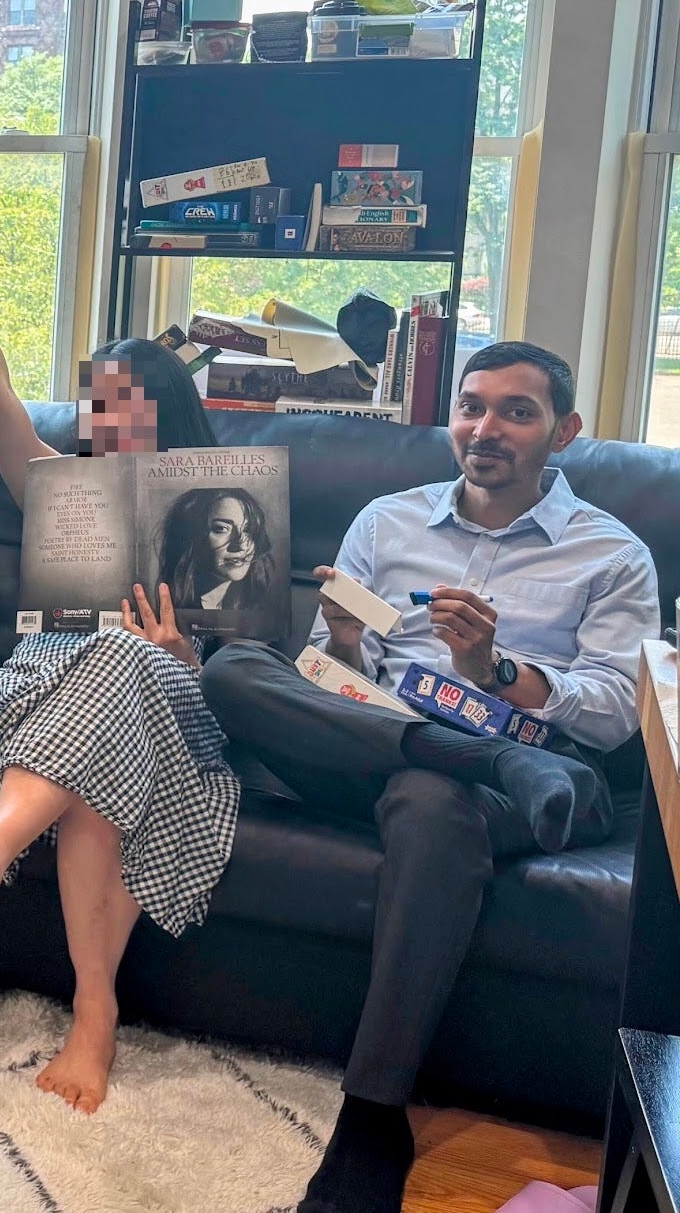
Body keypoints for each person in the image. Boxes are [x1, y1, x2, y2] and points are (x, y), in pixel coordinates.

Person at [201, 340, 657, 1213]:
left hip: (543, 773)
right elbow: (327, 679)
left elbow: (613, 711)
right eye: (471, 407)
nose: (486, 428)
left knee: (428, 798)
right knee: (233, 671)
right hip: (380, 735)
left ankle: (372, 1114)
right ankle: (468, 754)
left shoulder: (612, 554)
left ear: (563, 431)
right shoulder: (387, 521)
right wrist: (341, 641)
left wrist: (495, 671)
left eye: (516, 412)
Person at [0, 199, 241, 1115]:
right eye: (99, 408)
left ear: (169, 418)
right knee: (98, 758)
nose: (108, 423)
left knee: (128, 659)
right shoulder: (61, 487)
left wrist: (181, 654)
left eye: (131, 409)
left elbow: (243, 681)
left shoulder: (223, 514)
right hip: (45, 691)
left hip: (169, 703)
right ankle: (96, 1011)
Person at [157, 486, 279, 632]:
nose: (241, 545)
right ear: (191, 538)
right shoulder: (171, 616)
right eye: (221, 529)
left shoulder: (257, 610)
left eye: (248, 530)